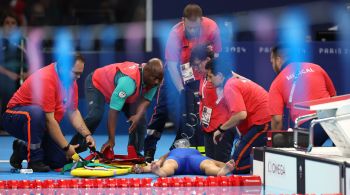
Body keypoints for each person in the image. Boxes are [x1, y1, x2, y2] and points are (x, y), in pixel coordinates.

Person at [144, 3, 222, 163]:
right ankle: (149, 150)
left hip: (200, 73)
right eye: (189, 28)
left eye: (196, 27)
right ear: (183, 21)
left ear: (201, 21)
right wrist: (181, 90)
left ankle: (180, 149)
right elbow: (172, 65)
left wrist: (209, 78)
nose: (192, 31)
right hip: (177, 73)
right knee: (162, 110)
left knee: (196, 113)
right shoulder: (174, 34)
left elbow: (217, 56)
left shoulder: (212, 27)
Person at [1, 53, 96, 172]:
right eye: (75, 73)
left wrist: (87, 135)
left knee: (60, 161)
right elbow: (49, 120)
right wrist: (66, 147)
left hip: (40, 123)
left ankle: (21, 149)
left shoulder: (70, 81)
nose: (78, 77)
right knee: (36, 113)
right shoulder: (46, 78)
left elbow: (73, 111)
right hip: (14, 117)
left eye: (80, 73)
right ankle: (34, 160)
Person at [69, 58, 164, 155]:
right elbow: (113, 111)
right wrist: (111, 140)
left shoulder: (154, 79)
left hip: (121, 91)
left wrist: (137, 116)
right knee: (95, 115)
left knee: (139, 119)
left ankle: (135, 153)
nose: (157, 82)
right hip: (97, 84)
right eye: (155, 78)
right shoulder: (128, 82)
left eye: (159, 79)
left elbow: (146, 100)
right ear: (146, 72)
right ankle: (72, 151)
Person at [206, 58, 271, 174]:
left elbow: (241, 115)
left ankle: (268, 167)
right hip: (261, 122)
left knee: (235, 166)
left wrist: (220, 129)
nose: (208, 81)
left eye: (210, 77)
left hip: (262, 123)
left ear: (220, 76)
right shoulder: (234, 81)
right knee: (235, 161)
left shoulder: (229, 86)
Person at [268, 45, 336, 146]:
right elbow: (334, 97)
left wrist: (275, 144)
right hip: (332, 120)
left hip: (309, 127)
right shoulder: (316, 68)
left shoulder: (276, 83)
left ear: (278, 60)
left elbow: (277, 121)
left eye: (272, 62)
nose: (273, 66)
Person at [0, 11, 28, 135]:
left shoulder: (22, 42)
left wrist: (29, 73)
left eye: (13, 23)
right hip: (4, 77)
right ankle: (3, 126)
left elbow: (33, 60)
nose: (10, 25)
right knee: (6, 85)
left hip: (20, 77)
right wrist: (8, 74)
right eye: (7, 23)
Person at [134, 147, 235, 177]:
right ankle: (219, 172)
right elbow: (214, 161)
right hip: (194, 159)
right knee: (208, 164)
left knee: (169, 165)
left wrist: (143, 169)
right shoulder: (195, 151)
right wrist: (224, 165)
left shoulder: (172, 152)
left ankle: (161, 172)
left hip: (178, 158)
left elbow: (159, 162)